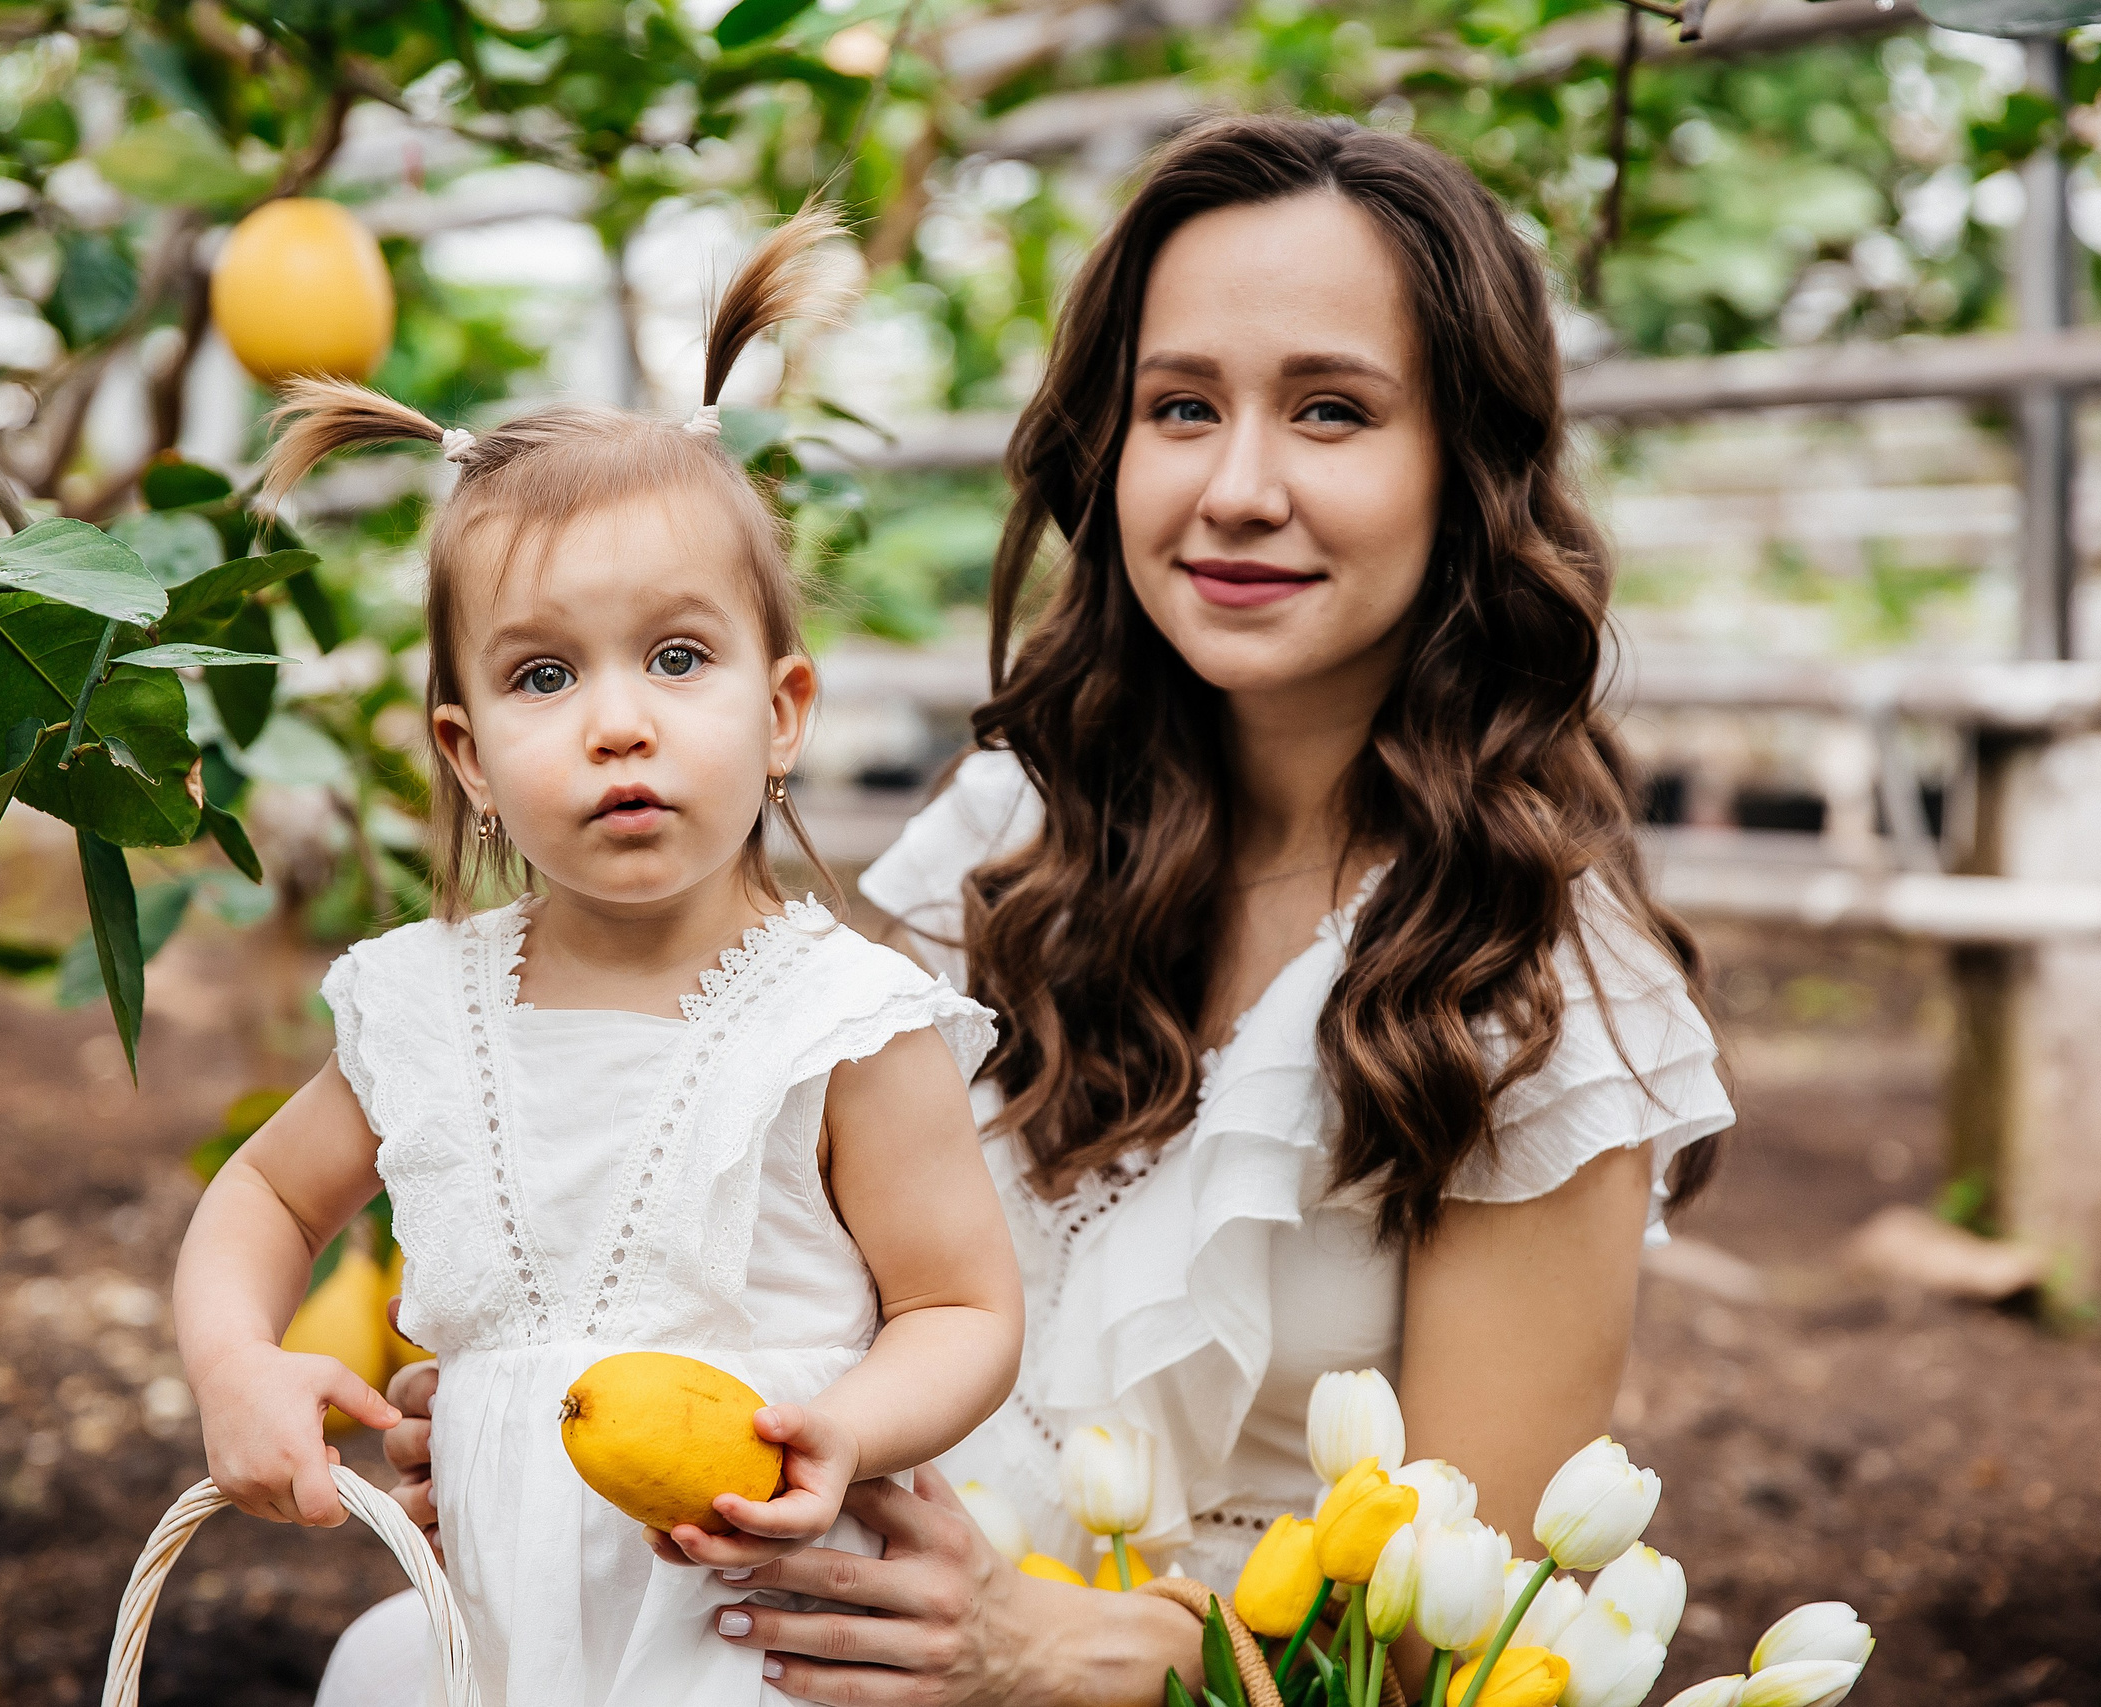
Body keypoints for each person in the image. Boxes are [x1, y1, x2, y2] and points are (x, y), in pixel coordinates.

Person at [329, 113, 1733, 1705]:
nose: (1239, 488)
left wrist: (1079, 1654)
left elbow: (1452, 1658)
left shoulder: (1539, 999)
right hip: (820, 1633)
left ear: (1463, 466)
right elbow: (790, 1231)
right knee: (397, 1662)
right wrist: (558, 1416)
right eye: (1182, 407)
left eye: (1333, 412)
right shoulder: (1012, 837)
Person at [173, 205, 1024, 1707]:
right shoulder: (422, 1006)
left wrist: (854, 1428)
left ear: (784, 712)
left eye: (679, 658)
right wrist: (236, 1363)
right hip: (494, 1648)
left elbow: (962, 1307)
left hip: (750, 1631)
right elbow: (263, 1191)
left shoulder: (838, 1025)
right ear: (470, 752)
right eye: (544, 674)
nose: (617, 720)